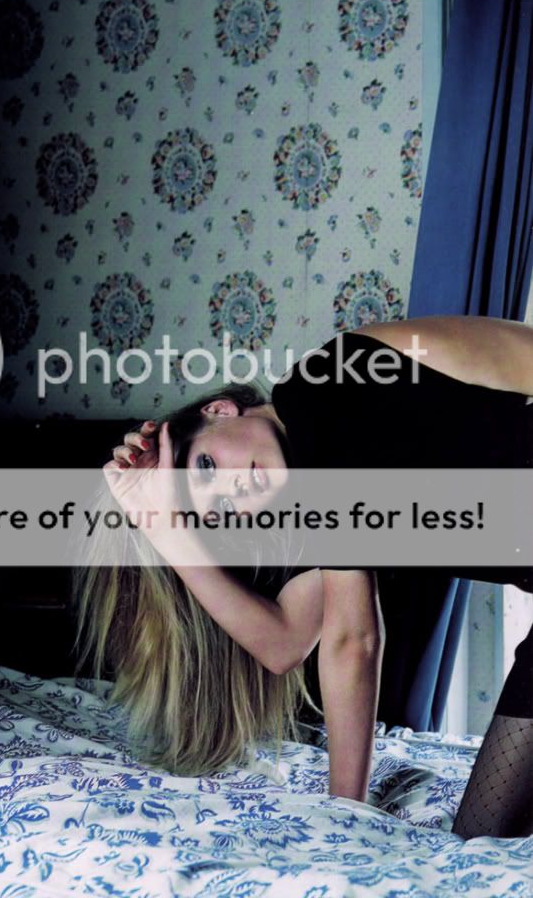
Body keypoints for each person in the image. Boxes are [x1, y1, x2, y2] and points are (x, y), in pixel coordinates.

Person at [72, 315, 533, 839]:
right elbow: (285, 642)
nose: (233, 491)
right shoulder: (320, 501)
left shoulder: (318, 392)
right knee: (481, 842)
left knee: (482, 842)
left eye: (206, 466)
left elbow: (354, 641)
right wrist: (163, 526)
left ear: (220, 410)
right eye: (220, 509)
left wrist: (345, 816)